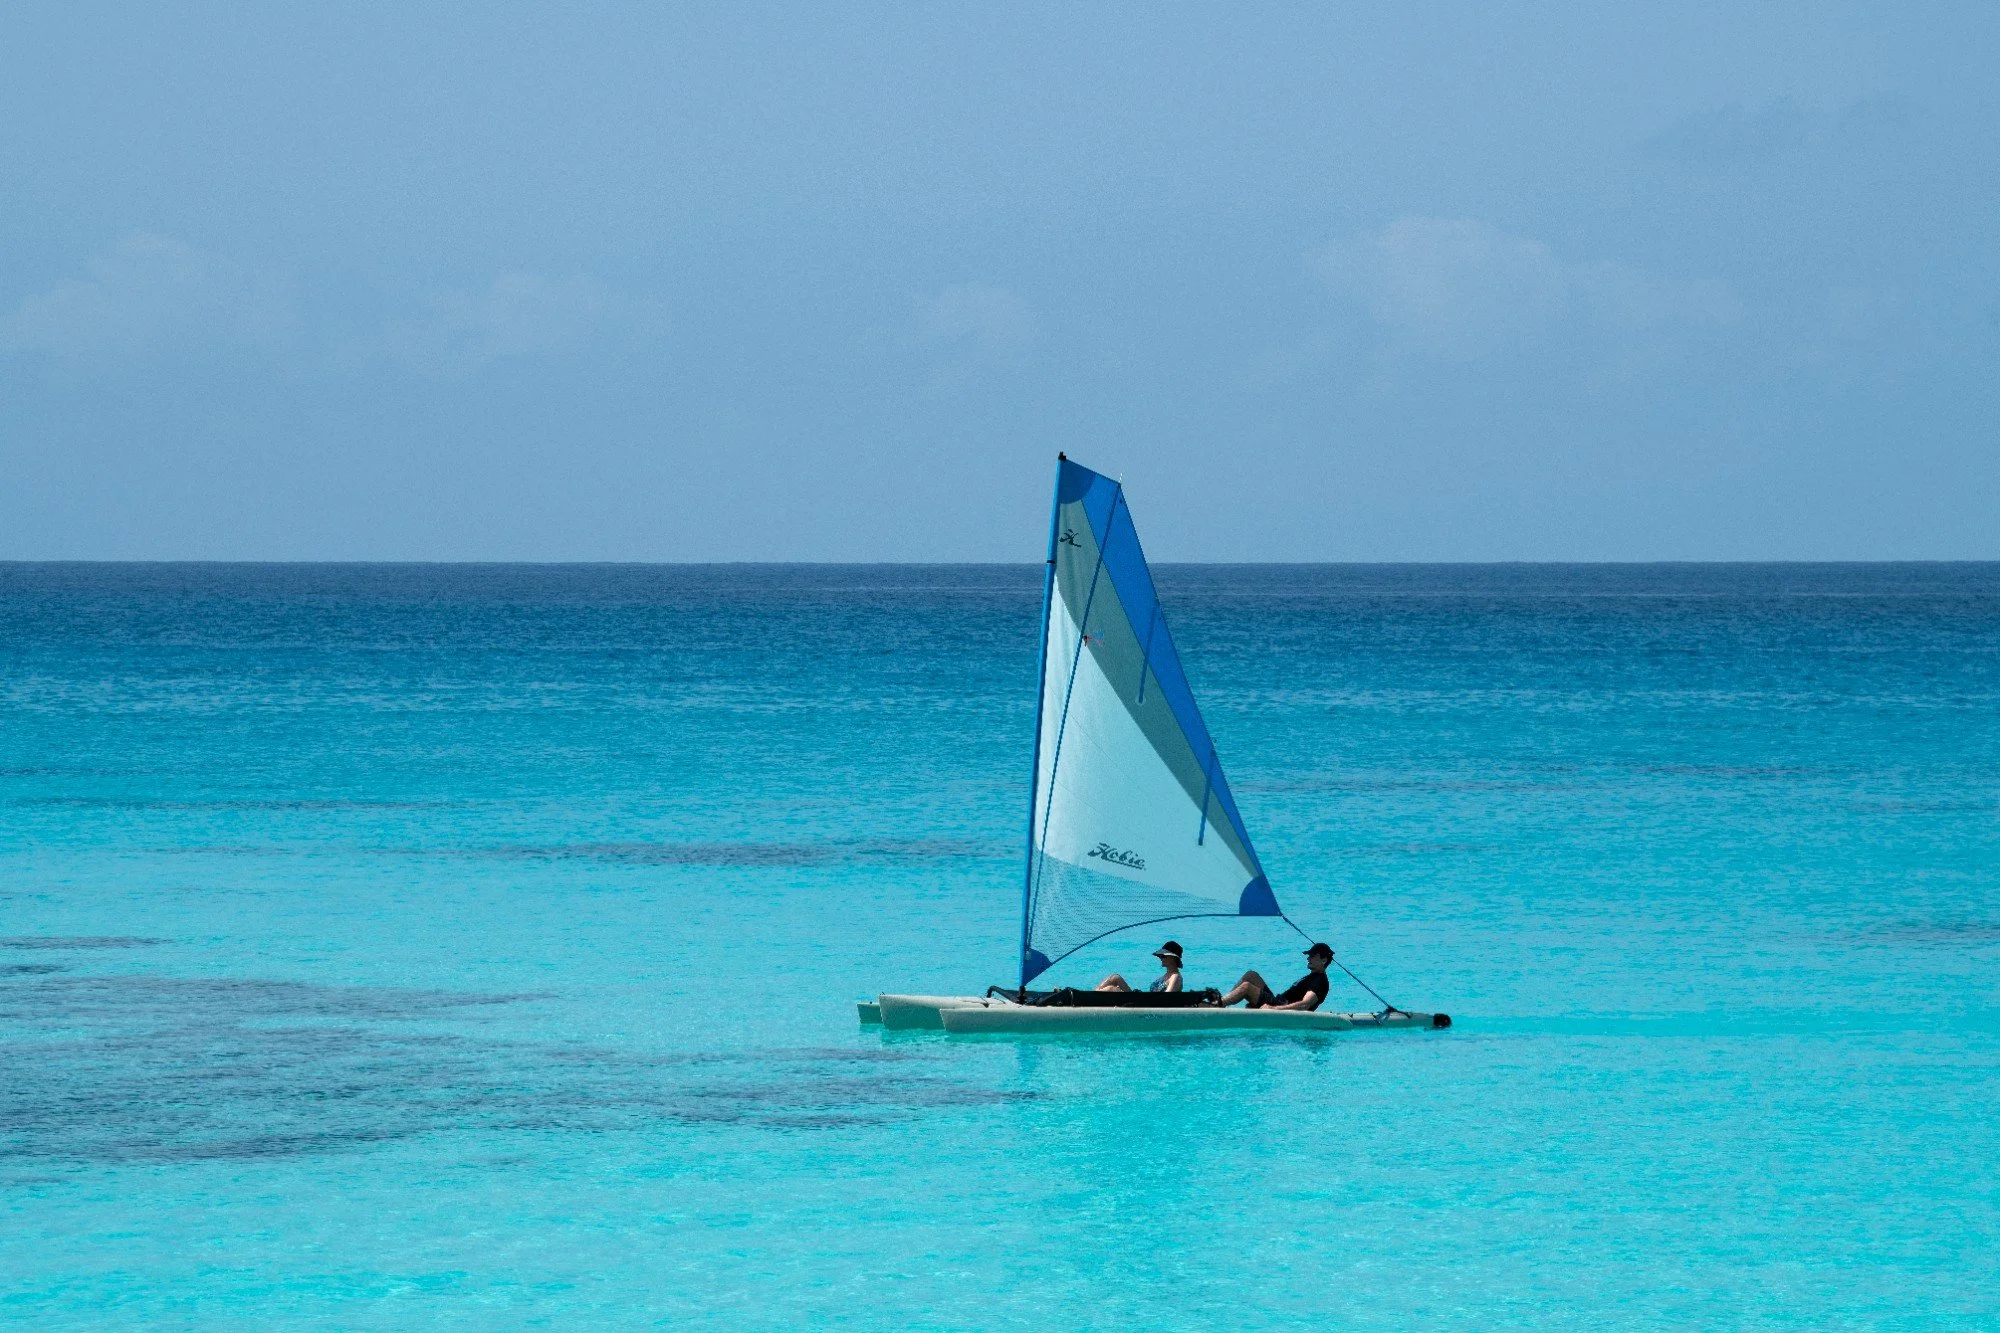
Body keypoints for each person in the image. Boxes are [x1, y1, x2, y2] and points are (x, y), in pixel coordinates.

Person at [1217, 942, 1335, 1011]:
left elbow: (1305, 1004)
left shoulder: (1320, 981)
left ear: (1323, 960)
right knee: (1251, 975)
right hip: (1278, 1002)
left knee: (1247, 987)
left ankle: (1216, 1006)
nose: (1308, 958)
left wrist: (1274, 1009)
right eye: (1309, 955)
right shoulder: (1311, 977)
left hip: (1280, 1009)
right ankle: (1221, 1005)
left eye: (1313, 956)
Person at [1096, 941, 1184, 994]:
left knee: (1111, 989)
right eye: (1160, 956)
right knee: (1115, 977)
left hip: (1148, 1006)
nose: (1160, 958)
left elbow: (1166, 999)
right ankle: (1090, 997)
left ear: (1173, 958)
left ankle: (1089, 1001)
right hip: (1144, 1000)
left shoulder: (1175, 977)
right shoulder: (1166, 976)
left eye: (1163, 956)